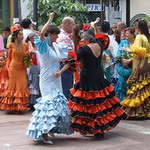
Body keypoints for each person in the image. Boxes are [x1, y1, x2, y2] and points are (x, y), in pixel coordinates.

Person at [55, 29, 127, 139]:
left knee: (88, 104)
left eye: (83, 38)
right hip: (98, 74)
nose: (82, 39)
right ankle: (99, 130)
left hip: (87, 76)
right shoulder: (99, 45)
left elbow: (73, 59)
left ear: (88, 39)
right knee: (99, 103)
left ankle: (90, 128)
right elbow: (102, 38)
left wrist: (65, 61)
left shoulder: (84, 49)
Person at [26, 13, 73, 144]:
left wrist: (60, 72)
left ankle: (49, 127)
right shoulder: (43, 46)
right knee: (48, 104)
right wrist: (50, 19)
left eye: (58, 34)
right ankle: (43, 132)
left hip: (56, 79)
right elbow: (41, 33)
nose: (57, 37)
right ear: (50, 34)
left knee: (57, 104)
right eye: (55, 34)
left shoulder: (57, 47)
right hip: (46, 79)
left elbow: (68, 62)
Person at [121, 20, 150, 118]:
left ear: (138, 28)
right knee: (145, 87)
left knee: (137, 86)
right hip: (147, 64)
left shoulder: (139, 37)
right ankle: (145, 110)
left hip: (140, 64)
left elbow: (139, 51)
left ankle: (136, 111)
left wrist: (128, 49)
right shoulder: (146, 37)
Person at [0, 26, 30, 113]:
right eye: (20, 34)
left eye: (22, 34)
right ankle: (13, 107)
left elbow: (27, 59)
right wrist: (7, 67)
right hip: (13, 68)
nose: (22, 36)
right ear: (16, 36)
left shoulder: (26, 45)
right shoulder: (11, 45)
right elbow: (9, 58)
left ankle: (19, 106)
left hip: (22, 68)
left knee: (22, 85)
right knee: (13, 86)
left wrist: (28, 56)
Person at [56, 16, 75, 99]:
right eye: (72, 25)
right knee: (66, 89)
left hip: (67, 65)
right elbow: (68, 55)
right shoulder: (63, 37)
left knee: (68, 88)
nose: (73, 27)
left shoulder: (66, 36)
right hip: (65, 65)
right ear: (67, 25)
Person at [115, 27, 135, 101]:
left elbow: (139, 56)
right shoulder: (123, 43)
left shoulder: (136, 43)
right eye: (125, 33)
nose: (125, 35)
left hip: (133, 70)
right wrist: (122, 60)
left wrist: (129, 60)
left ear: (132, 34)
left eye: (127, 33)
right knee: (122, 88)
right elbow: (118, 54)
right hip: (124, 69)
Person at [25, 33, 40, 111]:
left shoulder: (37, 45)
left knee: (35, 83)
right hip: (32, 65)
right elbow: (31, 52)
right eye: (34, 37)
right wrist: (30, 45)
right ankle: (32, 102)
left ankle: (34, 101)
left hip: (37, 65)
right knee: (33, 83)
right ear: (30, 38)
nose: (36, 39)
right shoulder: (28, 45)